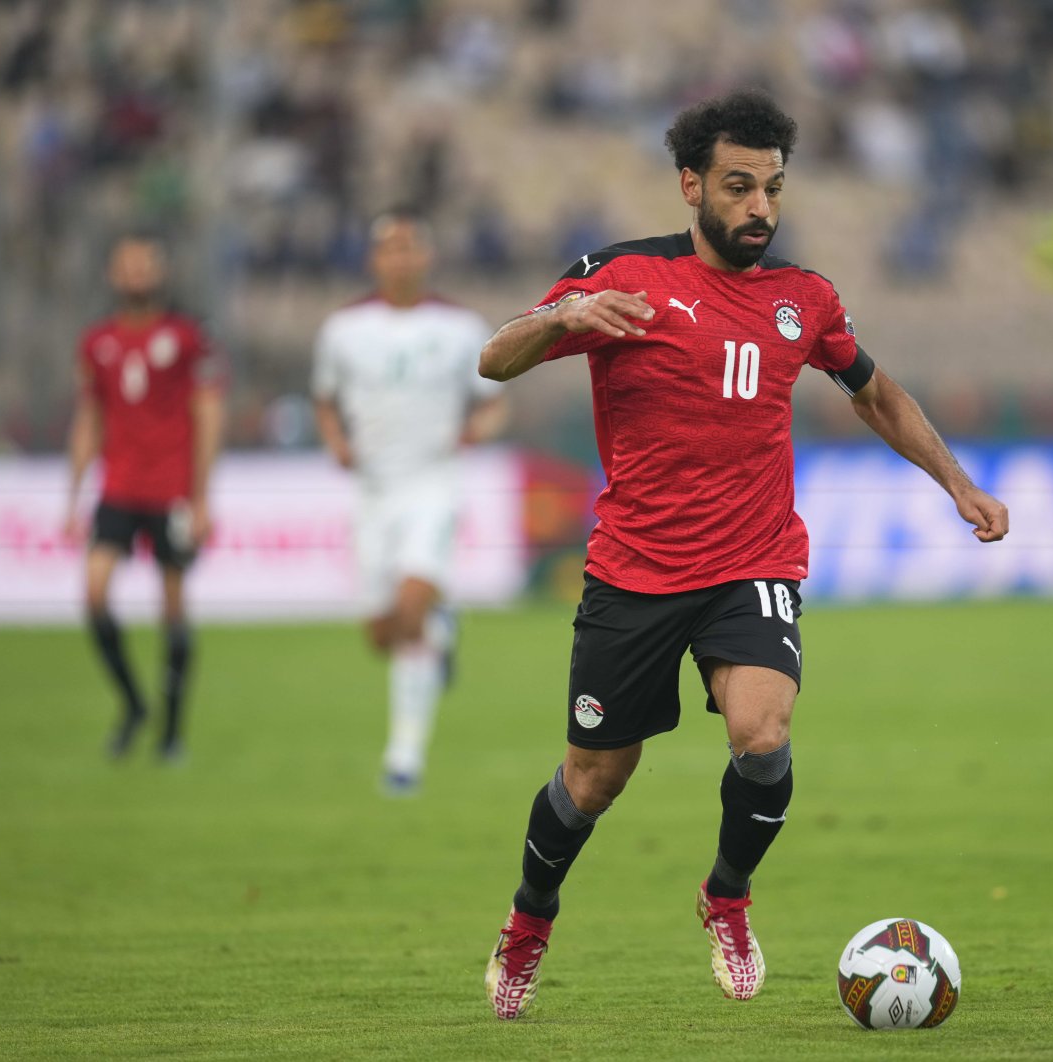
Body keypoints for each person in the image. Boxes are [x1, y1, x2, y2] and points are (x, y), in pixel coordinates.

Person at [477, 89, 1009, 1020]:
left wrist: (956, 482)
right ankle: (529, 921)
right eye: (739, 187)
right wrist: (566, 320)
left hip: (753, 561)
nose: (760, 207)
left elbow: (875, 394)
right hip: (634, 571)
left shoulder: (805, 300)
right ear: (692, 187)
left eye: (772, 187)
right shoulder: (621, 276)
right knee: (594, 780)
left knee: (762, 733)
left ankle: (726, 895)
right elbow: (495, 359)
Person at [312, 207, 508, 795]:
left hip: (432, 484)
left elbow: (494, 399)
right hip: (373, 492)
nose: (400, 257)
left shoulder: (461, 326)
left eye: (410, 246)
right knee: (383, 632)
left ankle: (404, 758)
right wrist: (336, 441)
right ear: (375, 259)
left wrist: (477, 431)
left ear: (427, 256)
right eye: (389, 247)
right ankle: (443, 634)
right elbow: (324, 399)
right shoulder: (343, 329)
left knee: (410, 612)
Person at [63, 232, 225, 761]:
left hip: (172, 490)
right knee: (93, 594)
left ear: (160, 272)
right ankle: (134, 703)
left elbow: (207, 413)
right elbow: (89, 418)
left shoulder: (186, 337)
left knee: (173, 607)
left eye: (144, 265)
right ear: (113, 274)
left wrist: (201, 497)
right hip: (119, 488)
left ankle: (172, 733)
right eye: (126, 266)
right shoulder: (97, 342)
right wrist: (73, 495)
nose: (135, 274)